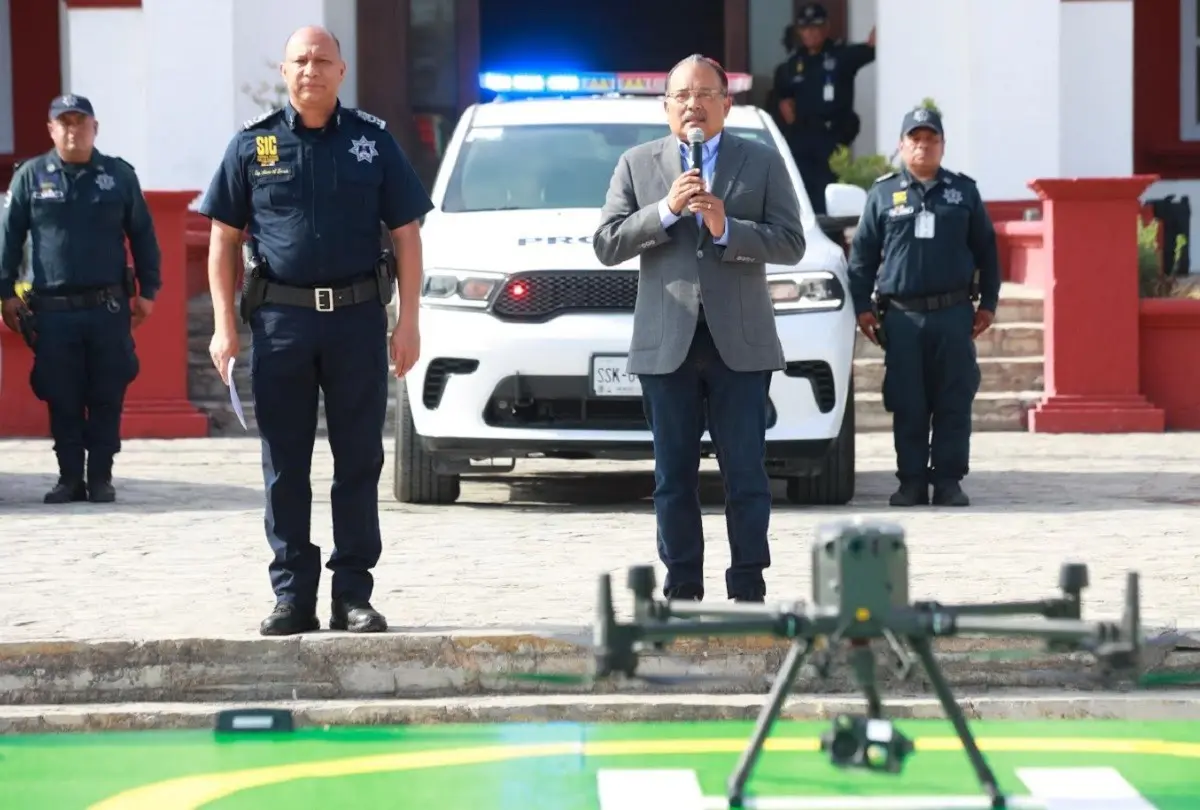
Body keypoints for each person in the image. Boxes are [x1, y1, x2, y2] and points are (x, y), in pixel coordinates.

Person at [198, 26, 432, 636]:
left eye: (321, 60)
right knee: (285, 466)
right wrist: (225, 325)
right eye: (300, 60)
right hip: (281, 325)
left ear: (341, 69)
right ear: (284, 69)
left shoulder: (373, 142)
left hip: (357, 321)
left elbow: (406, 234)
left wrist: (408, 320)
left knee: (359, 461)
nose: (311, 70)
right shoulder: (252, 146)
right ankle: (292, 597)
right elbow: (222, 239)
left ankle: (352, 594)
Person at [593, 54, 806, 603]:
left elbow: (790, 241)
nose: (693, 104)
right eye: (682, 95)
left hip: (741, 341)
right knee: (673, 476)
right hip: (669, 344)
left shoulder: (758, 162)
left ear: (726, 104)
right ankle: (683, 583)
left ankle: (749, 582)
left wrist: (726, 226)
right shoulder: (638, 164)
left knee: (746, 473)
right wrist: (664, 211)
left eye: (705, 94)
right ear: (666, 107)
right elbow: (607, 244)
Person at [0, 94, 160, 504]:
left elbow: (142, 235)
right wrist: (4, 294)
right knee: (62, 393)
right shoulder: (31, 176)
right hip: (53, 311)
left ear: (95, 128)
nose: (73, 130)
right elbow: (10, 238)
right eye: (64, 123)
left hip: (106, 308)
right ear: (52, 129)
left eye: (80, 122)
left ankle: (101, 476)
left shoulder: (119, 176)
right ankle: (69, 477)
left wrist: (149, 291)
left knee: (108, 391)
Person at [846, 106, 1001, 508]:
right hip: (902, 317)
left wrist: (989, 303)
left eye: (931, 139)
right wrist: (862, 306)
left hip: (953, 314)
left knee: (954, 399)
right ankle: (911, 481)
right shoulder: (882, 194)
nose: (923, 146)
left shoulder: (963, 192)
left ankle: (948, 480)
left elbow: (987, 250)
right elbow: (862, 255)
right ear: (901, 145)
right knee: (908, 401)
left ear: (943, 146)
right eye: (915, 139)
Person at [773, 2, 876, 214]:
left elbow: (873, 46)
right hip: (802, 139)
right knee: (800, 194)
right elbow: (783, 99)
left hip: (831, 138)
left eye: (816, 27)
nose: (810, 33)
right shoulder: (792, 65)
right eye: (805, 28)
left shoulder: (841, 56)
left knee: (830, 197)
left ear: (826, 27)